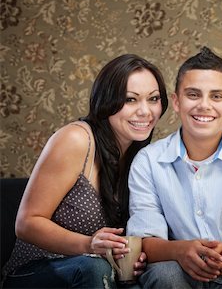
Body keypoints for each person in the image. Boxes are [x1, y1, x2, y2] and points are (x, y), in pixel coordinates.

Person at [2, 54, 169, 288]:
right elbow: (26, 223)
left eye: (153, 99)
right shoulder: (76, 139)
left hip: (97, 276)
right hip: (34, 272)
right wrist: (89, 244)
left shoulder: (143, 157)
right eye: (130, 100)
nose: (145, 111)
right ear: (106, 101)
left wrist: (129, 256)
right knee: (94, 267)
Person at [126, 46, 222, 289]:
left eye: (216, 96)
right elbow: (143, 239)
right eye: (193, 95)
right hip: (177, 269)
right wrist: (180, 250)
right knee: (164, 273)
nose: (204, 105)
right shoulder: (148, 161)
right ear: (177, 102)